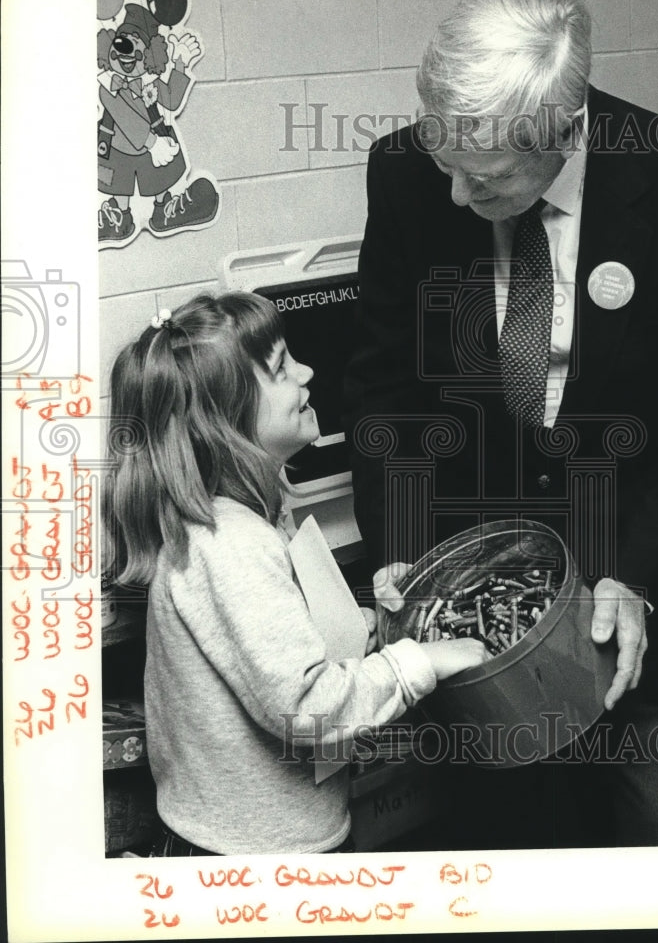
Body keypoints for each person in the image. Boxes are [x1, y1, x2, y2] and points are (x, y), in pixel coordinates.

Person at [343, 0, 658, 847]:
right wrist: (401, 556)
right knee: (516, 834)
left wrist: (632, 573)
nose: (456, 197)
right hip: (483, 593)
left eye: (487, 181)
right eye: (444, 161)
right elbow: (383, 386)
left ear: (566, 133)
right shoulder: (403, 170)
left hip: (639, 567)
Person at [102, 291, 486, 855]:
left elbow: (270, 650)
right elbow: (306, 709)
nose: (306, 372)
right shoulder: (230, 542)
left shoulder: (244, 516)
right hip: (255, 858)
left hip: (255, 837)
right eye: (282, 368)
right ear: (227, 417)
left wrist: (358, 625)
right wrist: (418, 663)